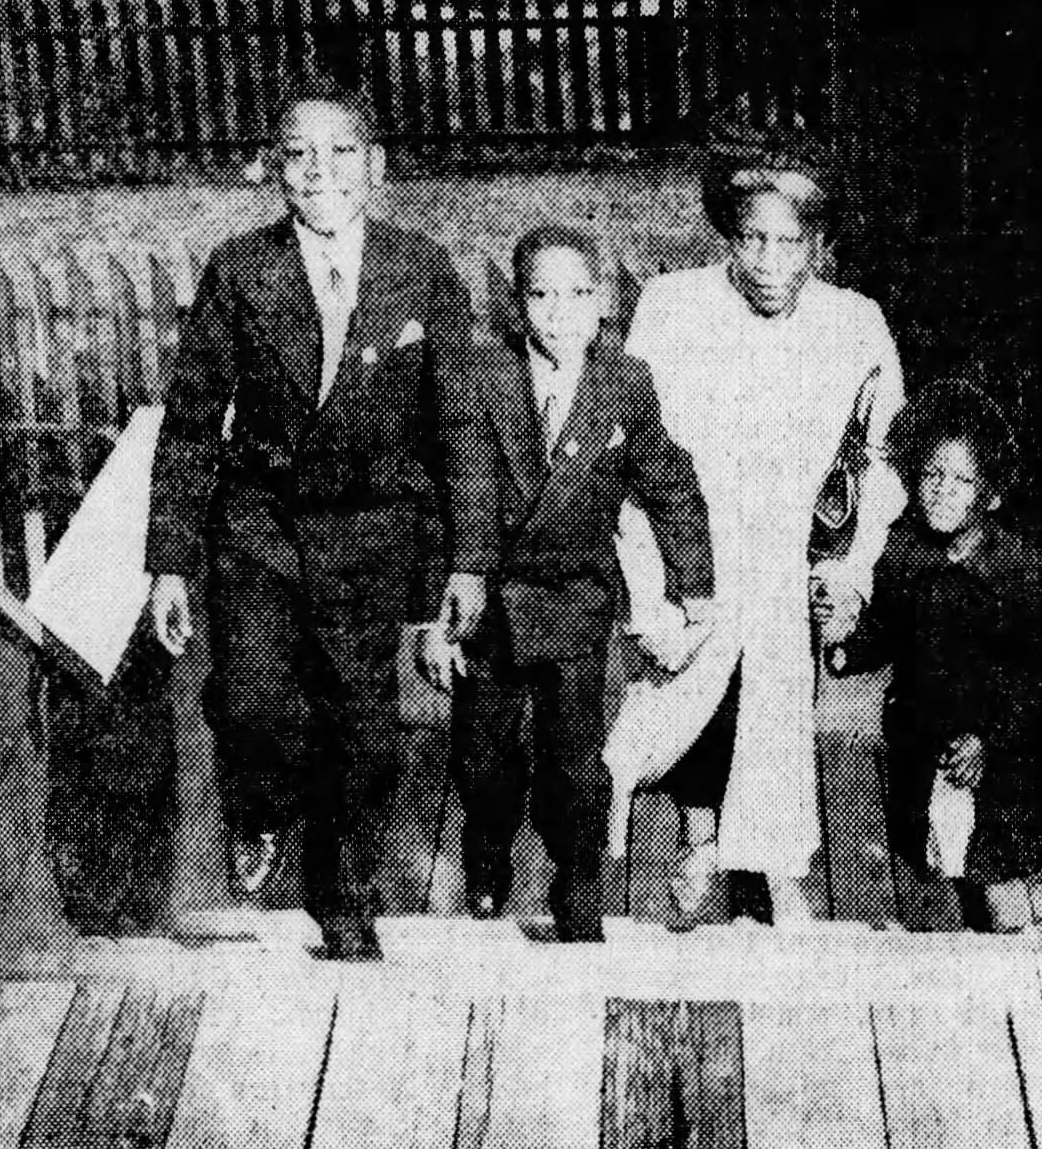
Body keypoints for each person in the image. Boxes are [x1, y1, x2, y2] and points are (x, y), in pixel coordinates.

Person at [146, 86, 491, 960]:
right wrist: (171, 563)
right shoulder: (240, 269)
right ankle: (259, 808)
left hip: (372, 531)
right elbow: (190, 425)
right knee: (254, 702)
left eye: (340, 153)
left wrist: (469, 559)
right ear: (275, 170)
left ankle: (347, 904)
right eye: (299, 154)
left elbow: (461, 424)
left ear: (375, 168)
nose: (320, 172)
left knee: (361, 722)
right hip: (260, 523)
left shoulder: (422, 270)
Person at [607, 127, 906, 928]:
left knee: (772, 692)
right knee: (696, 674)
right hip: (693, 535)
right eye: (753, 240)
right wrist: (651, 580)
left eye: (791, 242)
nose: (771, 262)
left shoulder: (855, 322)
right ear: (728, 238)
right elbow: (635, 442)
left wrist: (852, 570)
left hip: (788, 551)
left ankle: (766, 868)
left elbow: (878, 463)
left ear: (819, 245)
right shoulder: (677, 306)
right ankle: (699, 835)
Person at [417, 228, 714, 941]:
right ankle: (485, 856)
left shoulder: (625, 381)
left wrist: (694, 582)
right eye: (541, 295)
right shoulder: (481, 376)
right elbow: (452, 494)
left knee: (577, 763)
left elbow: (668, 480)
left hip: (579, 599)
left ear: (603, 300)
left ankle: (577, 886)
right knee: (484, 755)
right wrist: (437, 614)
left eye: (578, 294)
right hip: (490, 603)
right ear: (517, 305)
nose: (560, 313)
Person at [825, 381, 1042, 933]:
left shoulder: (1017, 572)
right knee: (942, 873)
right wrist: (846, 647)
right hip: (925, 746)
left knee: (999, 890)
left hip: (1001, 756)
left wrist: (991, 743)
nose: (943, 491)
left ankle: (1020, 966)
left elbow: (1031, 680)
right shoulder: (904, 552)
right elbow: (889, 627)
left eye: (962, 480)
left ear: (990, 496)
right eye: (932, 475)